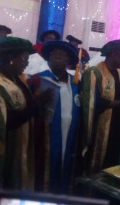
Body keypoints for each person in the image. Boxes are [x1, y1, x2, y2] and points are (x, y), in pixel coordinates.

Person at [0, 37, 51, 197]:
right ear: (10, 58)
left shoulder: (17, 79)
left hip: (23, 149)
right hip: (8, 157)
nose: (26, 63)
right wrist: (35, 105)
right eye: (24, 59)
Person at [28, 40, 82, 193]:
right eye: (55, 54)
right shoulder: (37, 80)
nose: (59, 57)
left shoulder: (77, 83)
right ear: (48, 58)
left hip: (70, 138)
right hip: (44, 139)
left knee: (66, 170)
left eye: (63, 55)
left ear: (69, 61)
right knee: (44, 171)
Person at [81, 39, 120, 174]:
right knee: (98, 162)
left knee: (114, 162)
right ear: (113, 54)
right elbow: (92, 102)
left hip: (118, 124)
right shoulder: (94, 72)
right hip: (100, 126)